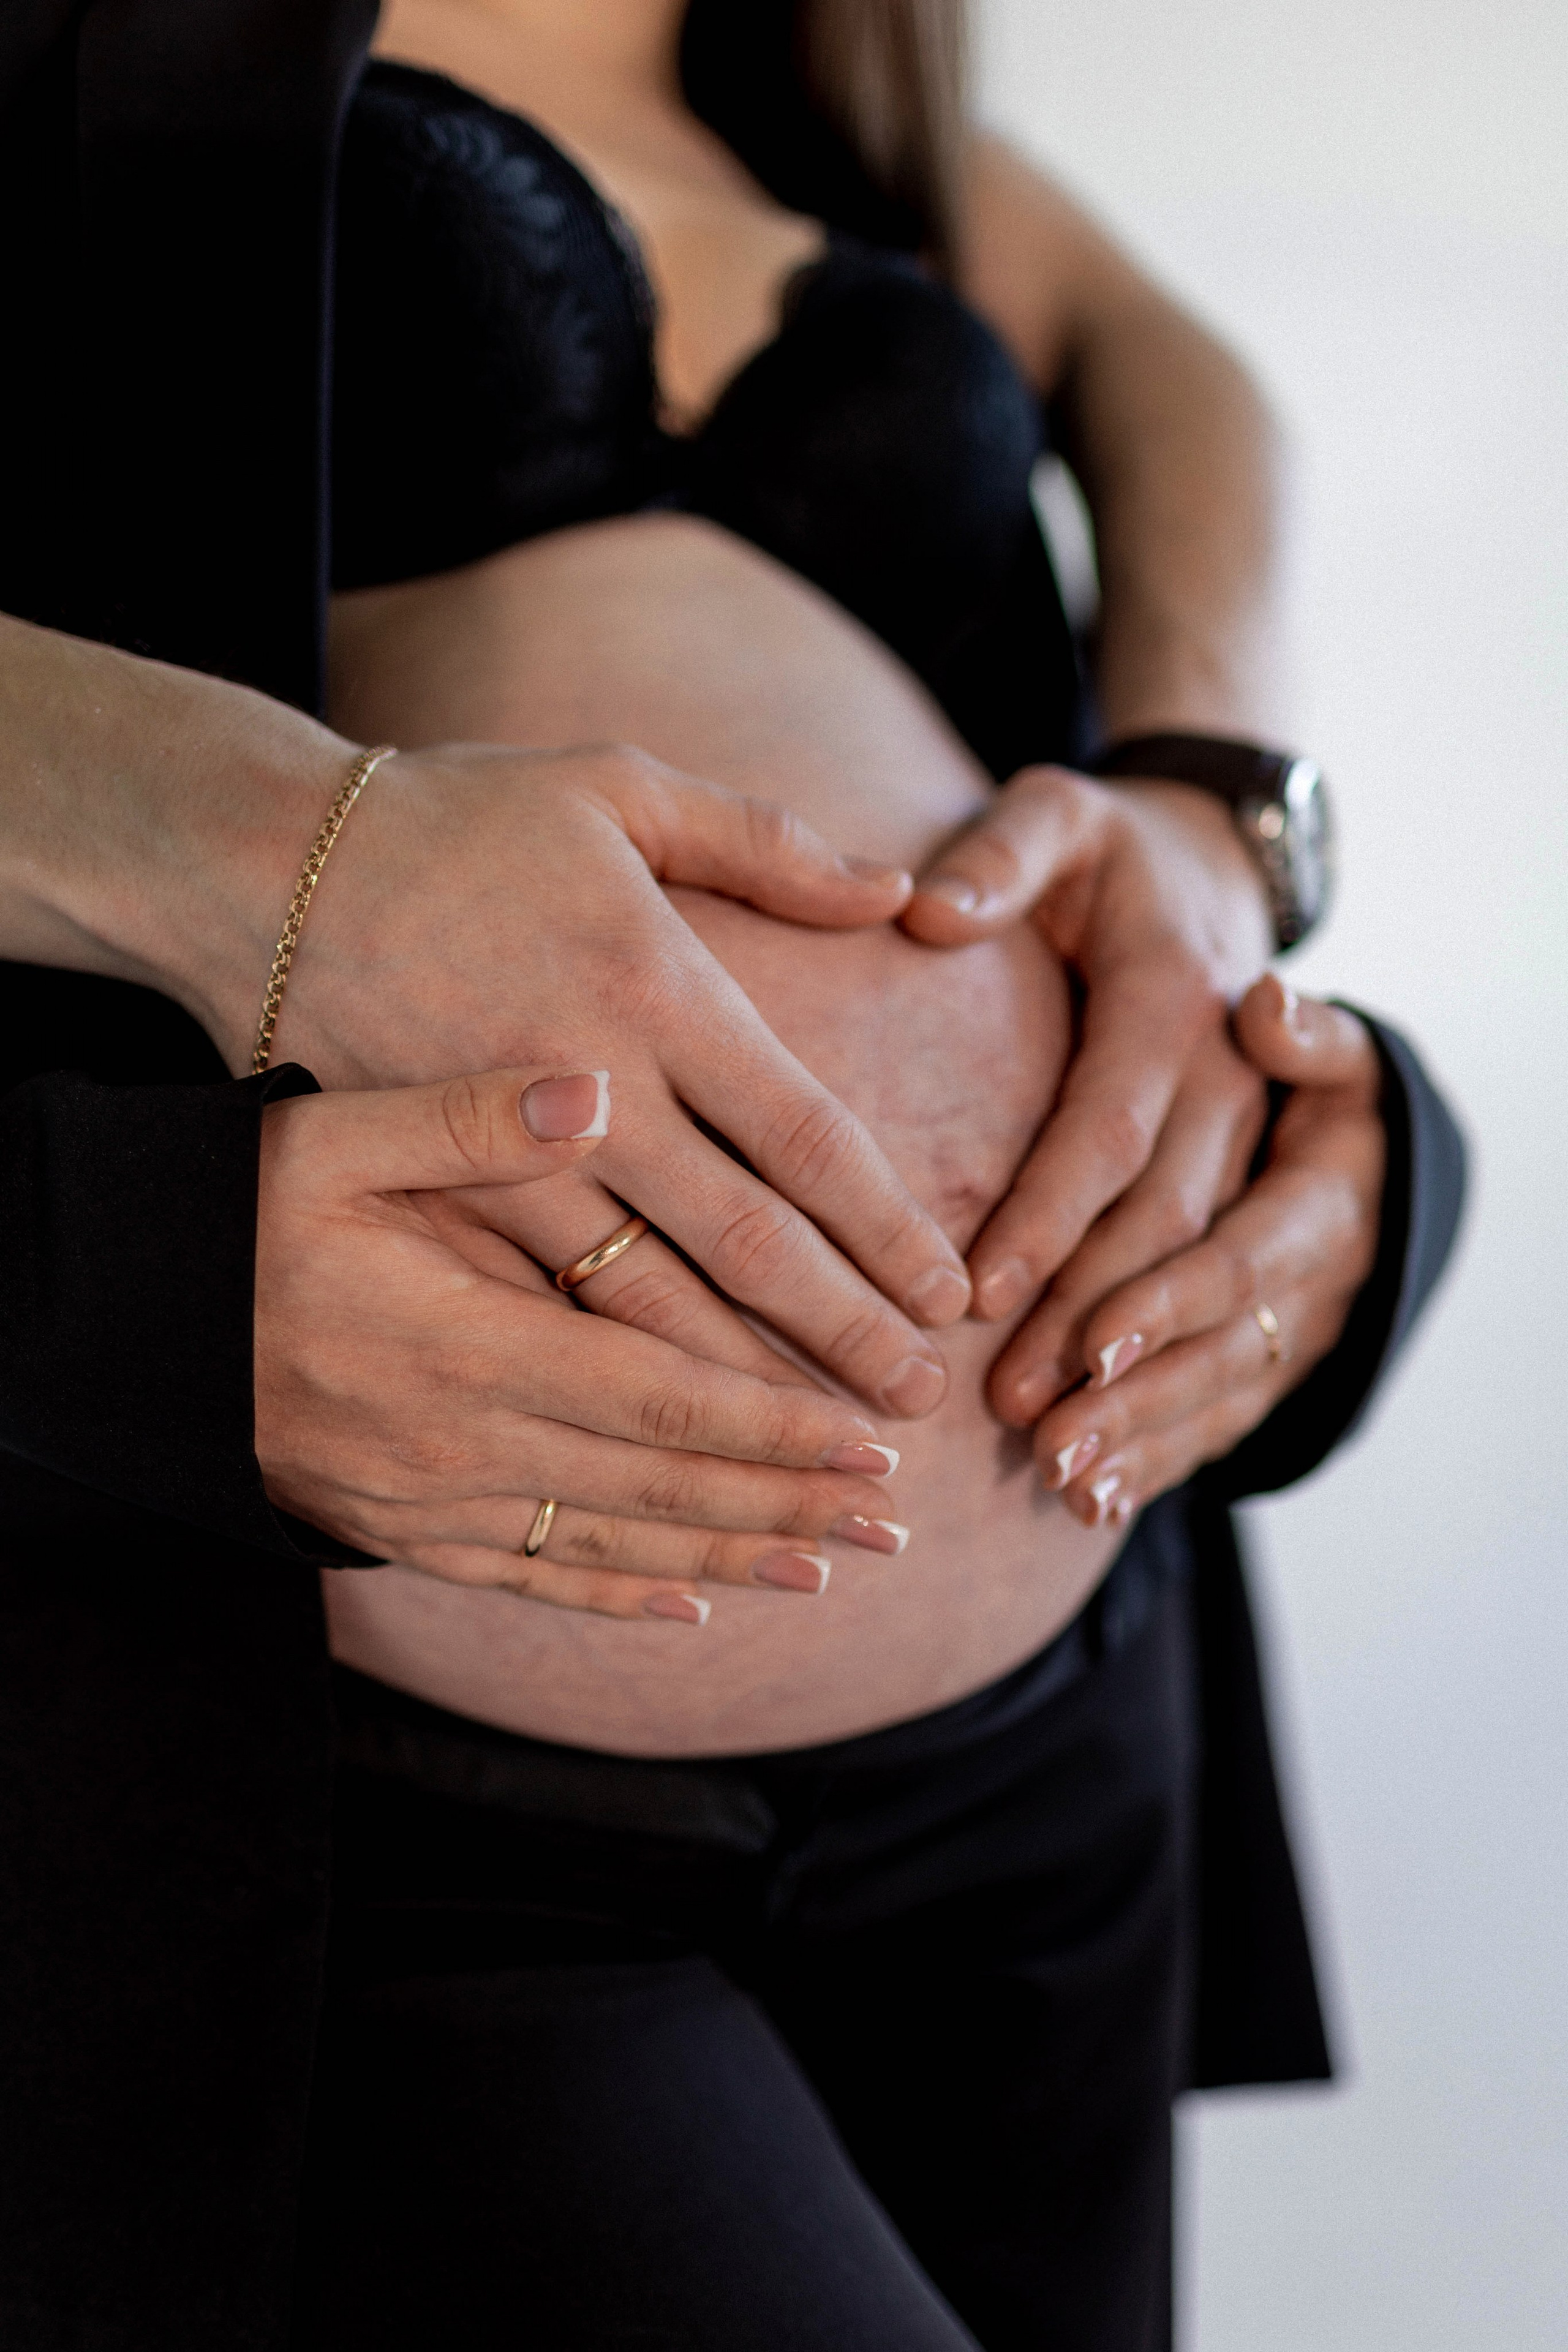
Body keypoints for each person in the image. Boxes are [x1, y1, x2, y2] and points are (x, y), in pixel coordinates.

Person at [0, 3, 1463, 2347]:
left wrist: (1211, 797)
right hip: (394, 1794)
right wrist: (284, 852)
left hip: (1062, 1741)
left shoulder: (818, 87)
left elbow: (1193, 381)